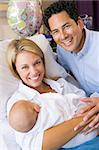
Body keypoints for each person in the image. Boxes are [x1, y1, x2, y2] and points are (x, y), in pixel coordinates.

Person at [6, 38, 98, 150]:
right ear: (16, 70)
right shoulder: (19, 105)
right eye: (25, 67)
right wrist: (84, 119)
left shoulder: (60, 84)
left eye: (37, 63)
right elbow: (35, 146)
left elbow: (87, 102)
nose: (34, 71)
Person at [43, 0, 99, 134]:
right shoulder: (63, 50)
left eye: (66, 26)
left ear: (79, 23)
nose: (63, 36)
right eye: (56, 31)